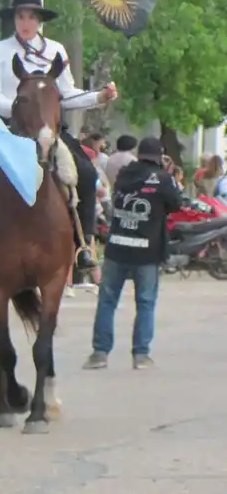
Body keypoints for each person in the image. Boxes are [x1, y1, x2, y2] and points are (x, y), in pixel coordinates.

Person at [0, 0, 117, 277]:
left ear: (39, 20)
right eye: (20, 16)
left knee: (87, 175)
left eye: (31, 17)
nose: (25, 22)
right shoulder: (0, 51)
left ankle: (83, 247)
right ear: (14, 19)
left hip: (48, 129)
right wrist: (21, 110)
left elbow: (66, 96)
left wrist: (97, 98)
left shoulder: (57, 51)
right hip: (5, 128)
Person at [84, 137, 181, 371]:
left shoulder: (124, 175)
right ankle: (141, 355)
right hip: (147, 252)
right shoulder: (164, 179)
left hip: (117, 247)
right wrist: (167, 175)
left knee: (107, 301)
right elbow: (176, 205)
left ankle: (100, 353)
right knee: (145, 302)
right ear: (160, 156)